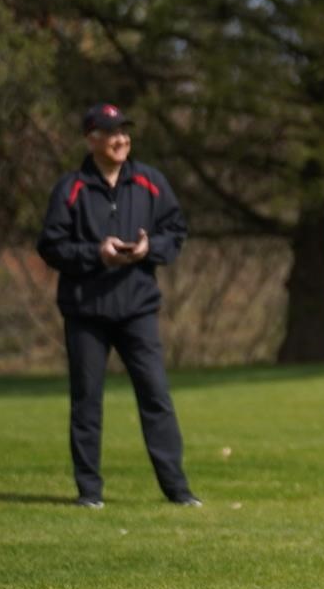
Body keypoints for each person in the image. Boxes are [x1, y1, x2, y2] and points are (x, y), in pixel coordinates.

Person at [36, 103, 201, 509]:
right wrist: (97, 253)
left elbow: (175, 231)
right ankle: (89, 492)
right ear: (92, 139)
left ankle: (178, 491)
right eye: (111, 133)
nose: (121, 139)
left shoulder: (150, 182)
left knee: (156, 397)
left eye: (124, 131)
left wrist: (149, 249)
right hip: (86, 313)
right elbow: (51, 246)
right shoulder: (70, 188)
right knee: (87, 401)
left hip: (137, 309)